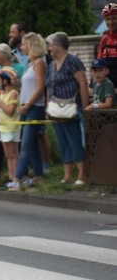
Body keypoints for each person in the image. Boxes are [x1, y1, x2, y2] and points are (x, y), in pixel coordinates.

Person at [45, 32, 89, 185]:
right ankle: (67, 175)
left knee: (74, 139)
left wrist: (85, 107)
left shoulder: (73, 61)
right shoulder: (51, 65)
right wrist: (47, 107)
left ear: (59, 46)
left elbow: (83, 84)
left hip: (71, 106)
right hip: (56, 108)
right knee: (62, 141)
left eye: (50, 45)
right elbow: (49, 87)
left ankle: (82, 175)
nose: (49, 48)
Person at [10, 32, 48, 191]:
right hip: (26, 106)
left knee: (25, 144)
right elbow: (28, 86)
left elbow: (40, 88)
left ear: (32, 45)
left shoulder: (40, 63)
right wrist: (17, 83)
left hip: (34, 107)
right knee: (32, 145)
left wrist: (28, 105)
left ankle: (17, 178)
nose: (22, 47)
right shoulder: (30, 64)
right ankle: (38, 175)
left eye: (24, 44)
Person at [0, 67, 21, 186]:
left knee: (13, 153)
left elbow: (10, 111)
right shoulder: (2, 94)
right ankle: (10, 177)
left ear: (6, 80)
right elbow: (1, 110)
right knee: (7, 154)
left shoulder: (13, 94)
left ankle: (15, 178)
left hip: (11, 127)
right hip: (3, 127)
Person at [97, 4, 117, 88]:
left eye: (114, 18)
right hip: (107, 85)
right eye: (108, 19)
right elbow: (99, 63)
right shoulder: (104, 40)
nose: (111, 22)